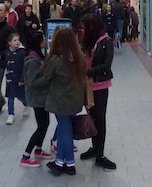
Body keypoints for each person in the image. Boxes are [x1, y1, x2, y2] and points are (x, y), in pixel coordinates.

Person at [42, 27, 86, 176]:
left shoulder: (56, 60)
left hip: (61, 101)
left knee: (64, 130)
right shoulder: (79, 57)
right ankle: (60, 161)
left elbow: (46, 77)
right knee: (63, 129)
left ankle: (70, 164)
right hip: (75, 99)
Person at [80, 14, 116, 170]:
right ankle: (95, 148)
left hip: (100, 86)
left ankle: (99, 153)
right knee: (92, 117)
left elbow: (107, 64)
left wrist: (89, 72)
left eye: (85, 27)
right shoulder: (88, 40)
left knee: (99, 119)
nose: (83, 30)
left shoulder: (106, 42)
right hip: (86, 86)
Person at [20, 31, 54, 167]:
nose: (45, 41)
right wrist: (47, 78)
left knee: (45, 123)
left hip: (42, 97)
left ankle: (38, 149)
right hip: (37, 98)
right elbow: (32, 82)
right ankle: (26, 155)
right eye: (43, 39)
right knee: (41, 125)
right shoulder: (32, 60)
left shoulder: (39, 56)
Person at [3, 33, 30, 125]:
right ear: (9, 42)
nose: (17, 42)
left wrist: (22, 79)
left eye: (18, 40)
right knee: (10, 97)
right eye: (14, 40)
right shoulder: (6, 52)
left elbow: (24, 67)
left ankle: (26, 104)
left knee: (21, 96)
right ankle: (11, 114)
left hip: (19, 79)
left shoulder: (22, 52)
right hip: (10, 79)